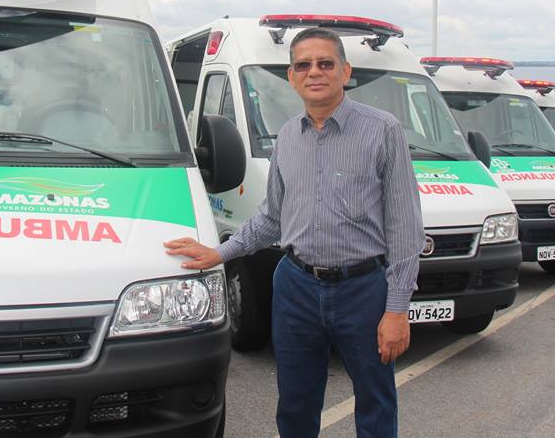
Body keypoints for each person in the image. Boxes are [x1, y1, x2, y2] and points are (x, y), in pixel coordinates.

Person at [164, 27, 425, 438]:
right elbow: (272, 218)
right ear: (291, 76)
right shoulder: (287, 137)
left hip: (363, 290)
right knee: (295, 403)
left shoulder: (382, 130)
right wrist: (221, 252)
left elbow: (406, 228)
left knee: (376, 402)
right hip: (296, 287)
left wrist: (396, 309)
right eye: (303, 65)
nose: (314, 72)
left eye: (325, 63)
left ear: (345, 71)